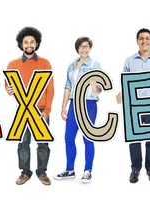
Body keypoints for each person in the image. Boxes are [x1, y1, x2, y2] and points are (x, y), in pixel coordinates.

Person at [116, 28, 150, 184]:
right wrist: (121, 95)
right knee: (134, 139)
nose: (144, 41)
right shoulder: (129, 61)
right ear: (137, 41)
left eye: (147, 38)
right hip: (134, 106)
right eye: (141, 38)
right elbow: (124, 82)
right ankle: (135, 169)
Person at [5, 26, 55, 186]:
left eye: (32, 42)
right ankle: (25, 172)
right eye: (25, 42)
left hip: (40, 110)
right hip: (24, 109)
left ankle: (42, 172)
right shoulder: (13, 63)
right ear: (21, 44)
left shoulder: (45, 63)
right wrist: (8, 89)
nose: (29, 44)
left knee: (42, 143)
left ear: (37, 43)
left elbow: (50, 88)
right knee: (23, 143)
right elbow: (8, 85)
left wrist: (47, 110)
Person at [53, 36, 102, 183]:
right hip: (74, 104)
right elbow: (68, 86)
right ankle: (70, 170)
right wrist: (63, 106)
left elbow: (99, 89)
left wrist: (94, 85)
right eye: (81, 46)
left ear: (90, 48)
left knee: (88, 138)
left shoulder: (94, 64)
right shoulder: (71, 65)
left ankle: (88, 170)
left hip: (89, 104)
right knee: (68, 138)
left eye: (87, 46)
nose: (84, 49)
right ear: (77, 49)